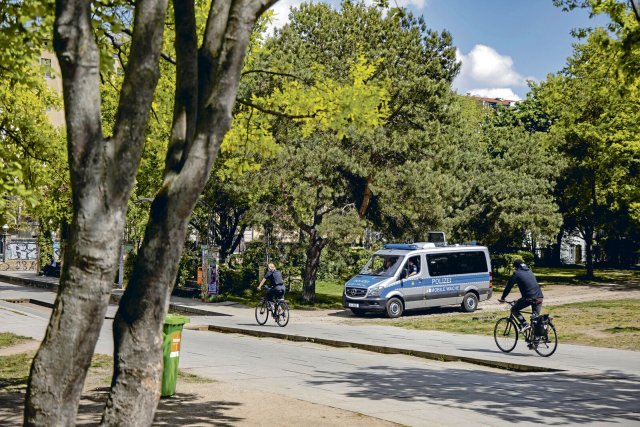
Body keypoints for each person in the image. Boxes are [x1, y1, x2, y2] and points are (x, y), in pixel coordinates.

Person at [498, 259, 544, 330]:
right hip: (539, 297)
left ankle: (524, 324)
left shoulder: (517, 273)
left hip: (529, 298)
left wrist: (503, 298)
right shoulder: (529, 271)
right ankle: (537, 338)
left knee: (514, 309)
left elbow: (509, 286)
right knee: (536, 319)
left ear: (516, 267)